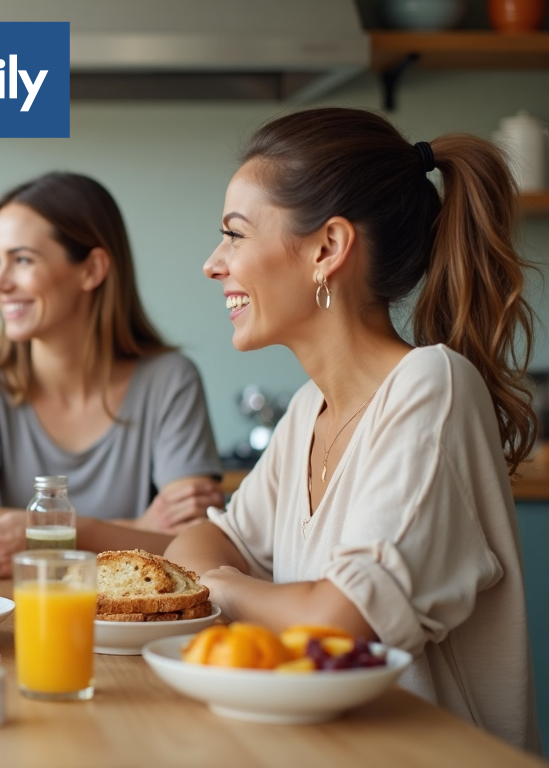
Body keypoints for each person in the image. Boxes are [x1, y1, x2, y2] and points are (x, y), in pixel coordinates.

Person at [165, 107, 540, 750]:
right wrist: (236, 582)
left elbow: (340, 621)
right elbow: (204, 541)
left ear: (328, 248)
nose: (213, 263)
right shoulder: (308, 411)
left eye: (235, 235)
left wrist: (224, 586)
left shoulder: (432, 387)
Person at [0, 172, 224, 579]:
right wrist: (134, 529)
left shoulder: (171, 380)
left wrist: (60, 532)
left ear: (92, 269)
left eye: (22, 260)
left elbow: (195, 542)